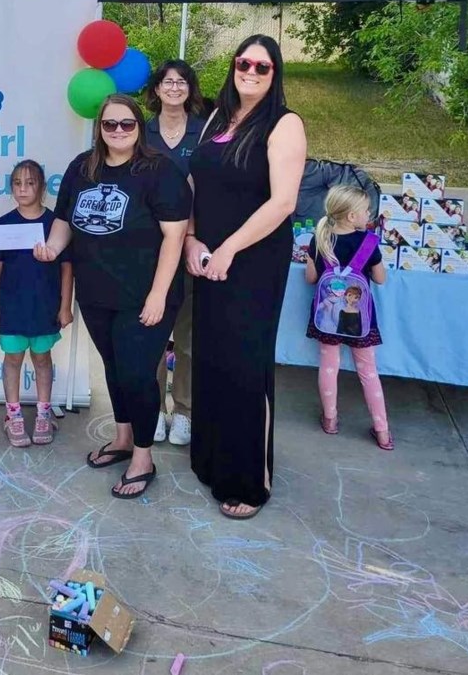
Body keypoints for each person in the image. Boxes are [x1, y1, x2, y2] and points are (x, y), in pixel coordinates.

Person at [35, 95, 191, 499]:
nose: (118, 131)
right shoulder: (82, 167)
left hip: (145, 295)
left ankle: (143, 457)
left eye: (127, 124)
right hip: (96, 291)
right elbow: (65, 221)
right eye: (110, 125)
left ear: (139, 127)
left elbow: (175, 236)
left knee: (139, 375)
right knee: (115, 368)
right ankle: (123, 439)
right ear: (99, 128)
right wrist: (51, 248)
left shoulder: (160, 171)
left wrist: (158, 295)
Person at [185, 36, 307, 519]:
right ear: (233, 66)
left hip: (252, 261)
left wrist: (228, 250)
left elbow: (283, 203)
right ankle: (213, 460)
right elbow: (197, 182)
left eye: (263, 65)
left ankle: (249, 480)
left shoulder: (284, 124)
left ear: (275, 73)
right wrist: (194, 240)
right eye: (244, 62)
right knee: (210, 357)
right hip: (209, 256)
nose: (251, 71)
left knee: (244, 365)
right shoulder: (218, 115)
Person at [143, 58, 213, 447]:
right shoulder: (142, 131)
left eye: (181, 82)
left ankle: (183, 410)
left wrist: (193, 235)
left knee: (186, 334)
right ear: (156, 90)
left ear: (190, 89)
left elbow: (211, 188)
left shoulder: (205, 132)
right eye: (167, 82)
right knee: (150, 329)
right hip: (149, 247)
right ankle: (152, 408)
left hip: (190, 242)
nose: (173, 88)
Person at [0, 160, 73, 447]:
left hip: (45, 308)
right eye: (17, 183)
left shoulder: (55, 224)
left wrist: (64, 306)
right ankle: (13, 414)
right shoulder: (3, 225)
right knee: (12, 360)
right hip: (12, 308)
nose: (23, 189)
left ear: (43, 187)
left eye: (30, 183)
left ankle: (43, 413)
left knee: (42, 360)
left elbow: (66, 269)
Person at [305, 185, 392, 449]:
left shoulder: (319, 239)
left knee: (329, 365)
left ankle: (330, 419)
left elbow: (311, 278)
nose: (369, 214)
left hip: (328, 317)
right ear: (352, 216)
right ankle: (383, 431)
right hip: (360, 320)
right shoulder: (368, 243)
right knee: (368, 370)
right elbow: (380, 279)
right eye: (366, 210)